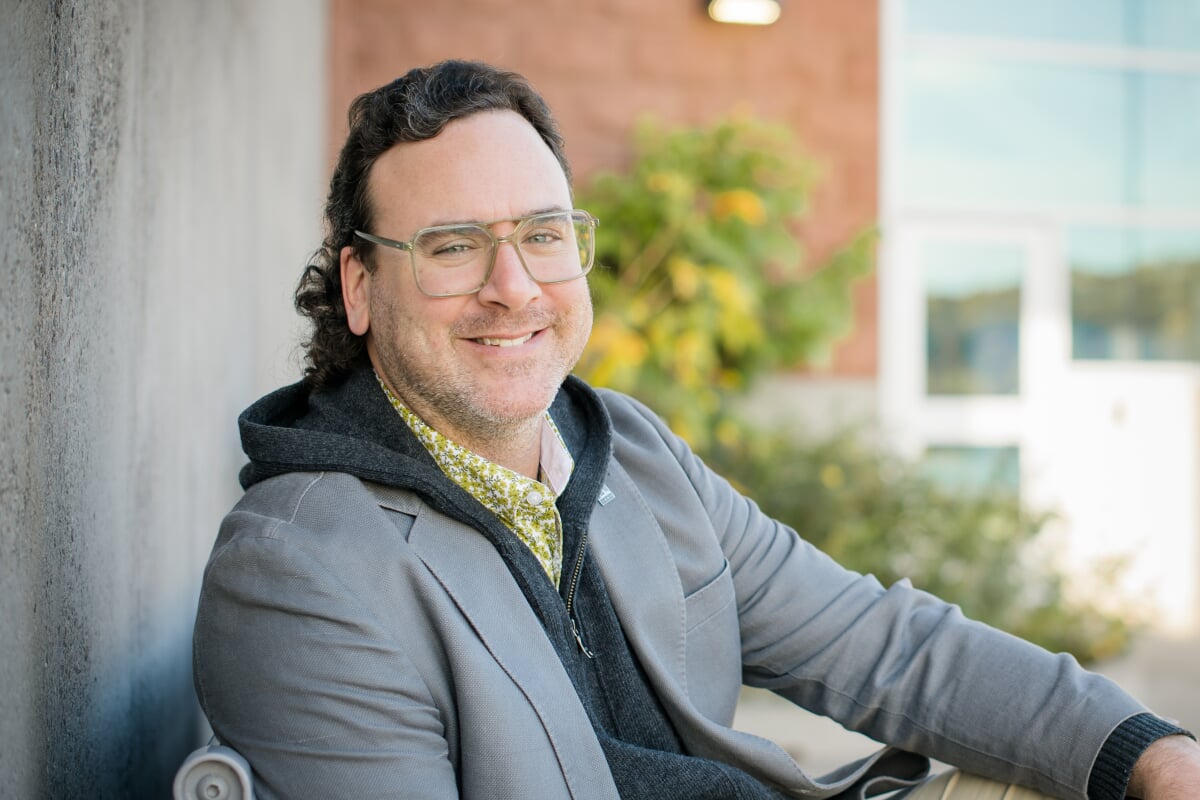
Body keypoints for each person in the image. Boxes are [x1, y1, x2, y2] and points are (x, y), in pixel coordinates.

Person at [192, 59, 1200, 800]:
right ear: (360, 285)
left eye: (543, 234)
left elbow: (876, 642)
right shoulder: (300, 568)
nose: (515, 287)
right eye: (453, 246)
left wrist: (1147, 748)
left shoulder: (626, 450)